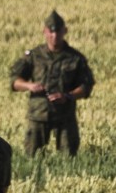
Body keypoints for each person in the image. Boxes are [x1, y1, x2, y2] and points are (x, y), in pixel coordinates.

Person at [9, 10, 95, 156]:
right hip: (38, 114)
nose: (54, 36)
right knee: (32, 156)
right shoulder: (34, 56)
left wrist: (68, 96)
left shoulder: (75, 58)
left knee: (69, 158)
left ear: (64, 31)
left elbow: (86, 86)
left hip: (65, 115)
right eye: (51, 32)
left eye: (58, 32)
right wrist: (30, 86)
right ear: (45, 32)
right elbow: (14, 81)